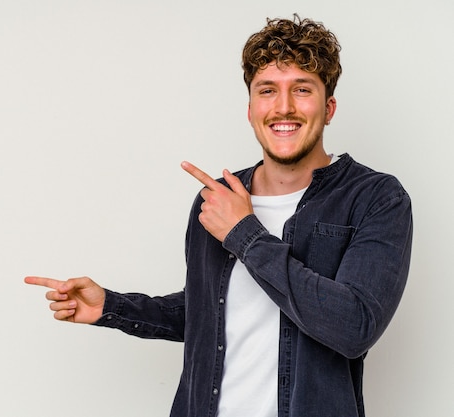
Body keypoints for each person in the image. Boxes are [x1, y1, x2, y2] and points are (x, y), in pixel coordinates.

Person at [25, 15, 412, 417]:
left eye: (302, 89)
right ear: (250, 110)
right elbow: (211, 311)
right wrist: (112, 306)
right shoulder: (215, 201)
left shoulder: (376, 198)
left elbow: (354, 327)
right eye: (267, 90)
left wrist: (244, 234)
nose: (283, 107)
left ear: (328, 107)